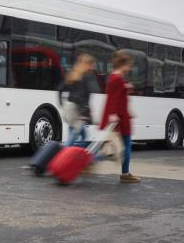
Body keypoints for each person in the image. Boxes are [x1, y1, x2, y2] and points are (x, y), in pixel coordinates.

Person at [100, 51, 140, 183]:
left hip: (121, 116)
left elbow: (115, 97)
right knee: (125, 145)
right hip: (120, 118)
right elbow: (114, 99)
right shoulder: (117, 79)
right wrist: (113, 115)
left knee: (115, 147)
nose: (129, 68)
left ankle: (125, 172)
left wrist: (126, 87)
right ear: (122, 65)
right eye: (128, 66)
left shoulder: (114, 78)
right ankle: (125, 173)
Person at [58, 53, 100, 146]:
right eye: (91, 64)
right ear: (87, 64)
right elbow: (93, 90)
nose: (92, 67)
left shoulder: (73, 73)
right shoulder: (87, 76)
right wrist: (83, 110)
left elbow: (60, 89)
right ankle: (65, 153)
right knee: (81, 137)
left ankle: (72, 154)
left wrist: (61, 104)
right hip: (77, 110)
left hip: (69, 107)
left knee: (77, 133)